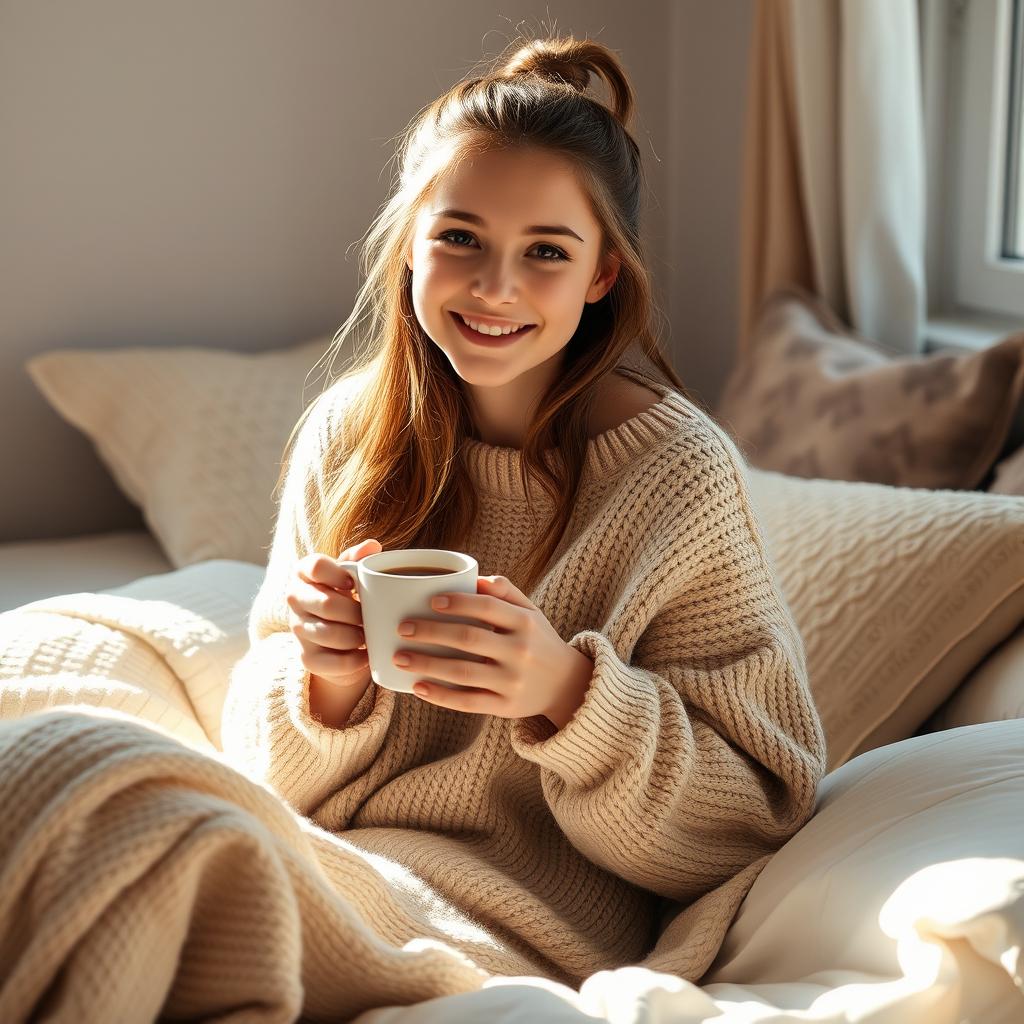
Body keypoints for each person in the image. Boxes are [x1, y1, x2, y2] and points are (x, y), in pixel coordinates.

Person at [220, 32, 827, 997]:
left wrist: (564, 691)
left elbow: (749, 816)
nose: (495, 286)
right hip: (338, 861)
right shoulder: (348, 433)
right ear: (410, 243)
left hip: (523, 923)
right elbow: (267, 772)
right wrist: (327, 682)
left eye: (546, 251)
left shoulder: (679, 475)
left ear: (602, 276)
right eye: (459, 237)